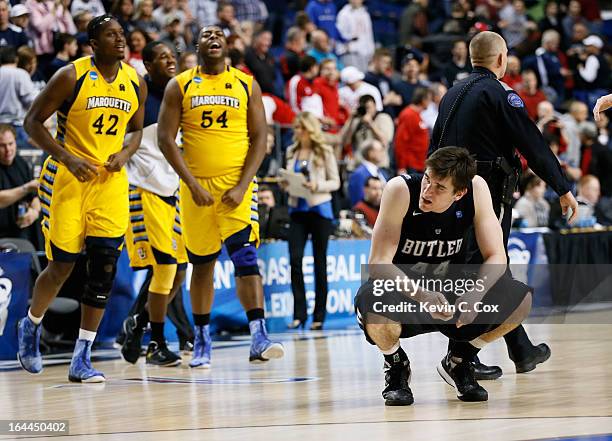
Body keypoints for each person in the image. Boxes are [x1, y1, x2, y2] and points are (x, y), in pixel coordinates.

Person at [429, 31, 578, 378]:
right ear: (501, 60)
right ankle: (461, 356)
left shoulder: (450, 95)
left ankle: (518, 349)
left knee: (484, 269)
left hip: (452, 196)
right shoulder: (499, 94)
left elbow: (432, 147)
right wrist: (563, 187)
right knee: (488, 267)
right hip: (487, 195)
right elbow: (532, 142)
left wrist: (434, 192)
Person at [16, 15, 146, 383]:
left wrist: (125, 153)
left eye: (122, 34)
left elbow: (135, 130)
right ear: (93, 42)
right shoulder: (71, 76)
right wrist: (68, 158)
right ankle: (31, 325)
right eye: (111, 35)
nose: (120, 40)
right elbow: (31, 123)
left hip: (110, 184)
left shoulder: (133, 80)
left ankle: (82, 356)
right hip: (67, 180)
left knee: (103, 270)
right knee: (61, 267)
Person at [354, 147, 533, 405]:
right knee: (370, 301)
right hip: (405, 291)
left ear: (459, 193)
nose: (427, 192)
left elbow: (497, 255)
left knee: (520, 298)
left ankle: (459, 360)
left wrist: (475, 294)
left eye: (439, 188)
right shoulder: (400, 189)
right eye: (428, 179)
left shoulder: (476, 189)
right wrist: (422, 295)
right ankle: (395, 365)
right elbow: (379, 263)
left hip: (452, 292)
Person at [157, 25, 284, 367]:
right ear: (196, 45)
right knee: (202, 265)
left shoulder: (246, 84)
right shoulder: (180, 84)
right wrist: (192, 184)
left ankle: (259, 335)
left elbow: (260, 137)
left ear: (226, 45)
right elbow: (166, 139)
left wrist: (244, 184)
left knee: (245, 258)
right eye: (206, 34)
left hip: (236, 187)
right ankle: (201, 338)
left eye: (219, 34)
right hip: (195, 189)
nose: (213, 38)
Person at [117, 41, 188, 367]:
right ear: (146, 63)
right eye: (162, 58)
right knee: (165, 268)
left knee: (179, 271)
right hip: (143, 190)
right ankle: (155, 343)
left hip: (171, 192)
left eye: (172, 57)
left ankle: (139, 325)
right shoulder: (138, 96)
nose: (170, 61)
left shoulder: (179, 97)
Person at [281, 111, 340, 330]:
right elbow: (289, 175)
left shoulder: (324, 151)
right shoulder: (291, 151)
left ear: (309, 129)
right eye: (295, 128)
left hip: (319, 209)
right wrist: (286, 183)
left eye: (300, 127)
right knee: (295, 260)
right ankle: (299, 314)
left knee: (319, 262)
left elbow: (335, 182)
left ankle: (319, 315)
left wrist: (317, 186)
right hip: (298, 209)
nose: (296, 131)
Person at [0, 124, 41, 242]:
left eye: (10, 144)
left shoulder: (20, 163)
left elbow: (34, 196)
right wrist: (25, 188)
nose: (8, 150)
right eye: (2, 146)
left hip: (19, 229)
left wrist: (34, 211)